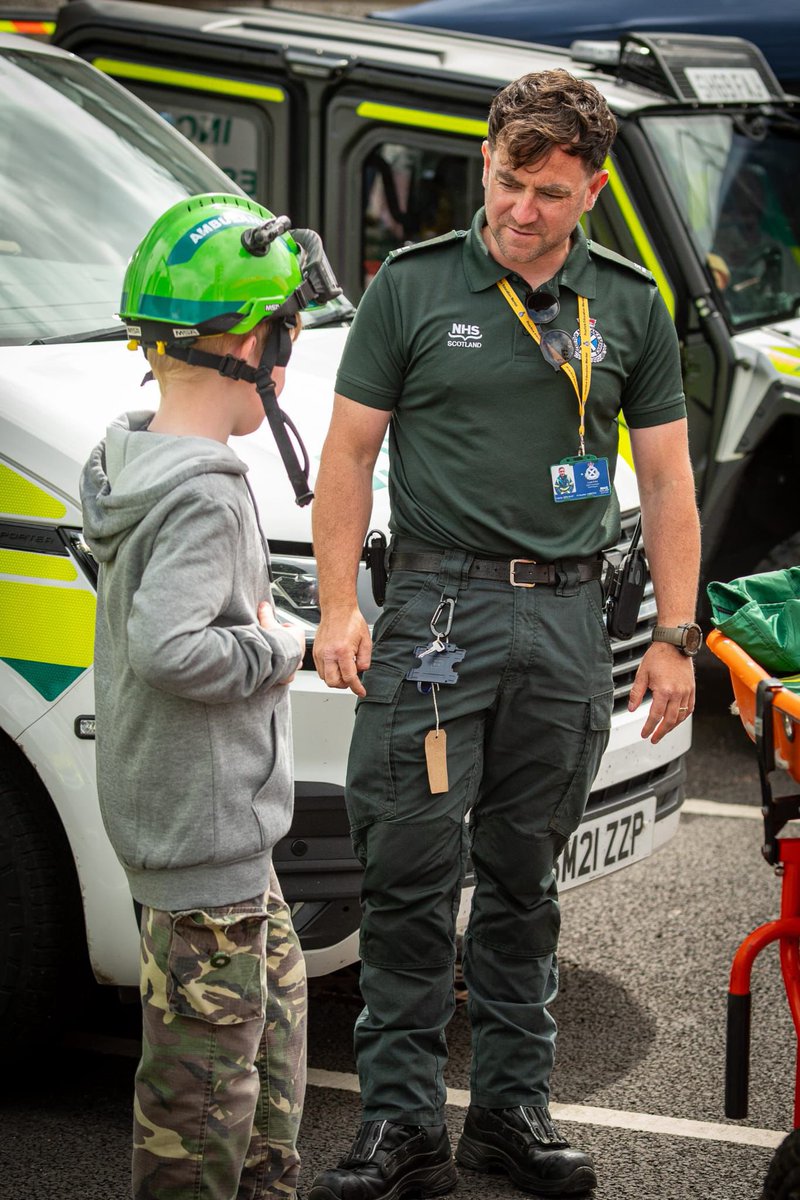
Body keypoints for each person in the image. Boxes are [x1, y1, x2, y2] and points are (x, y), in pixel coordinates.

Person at [310, 69, 701, 1199]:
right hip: (438, 614)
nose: (521, 210)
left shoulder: (628, 305)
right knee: (409, 874)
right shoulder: (413, 287)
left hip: (571, 618)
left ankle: (510, 1116)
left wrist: (675, 634)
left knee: (525, 881)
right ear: (485, 160)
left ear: (593, 190)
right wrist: (338, 608)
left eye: (549, 192)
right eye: (507, 181)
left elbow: (667, 483)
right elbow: (347, 455)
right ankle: (398, 1128)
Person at [80, 193, 336, 1200]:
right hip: (205, 846)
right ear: (251, 343)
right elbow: (171, 647)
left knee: (264, 1052)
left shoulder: (131, 456)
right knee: (198, 1108)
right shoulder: (204, 490)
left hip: (214, 835)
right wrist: (281, 647)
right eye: (288, 336)